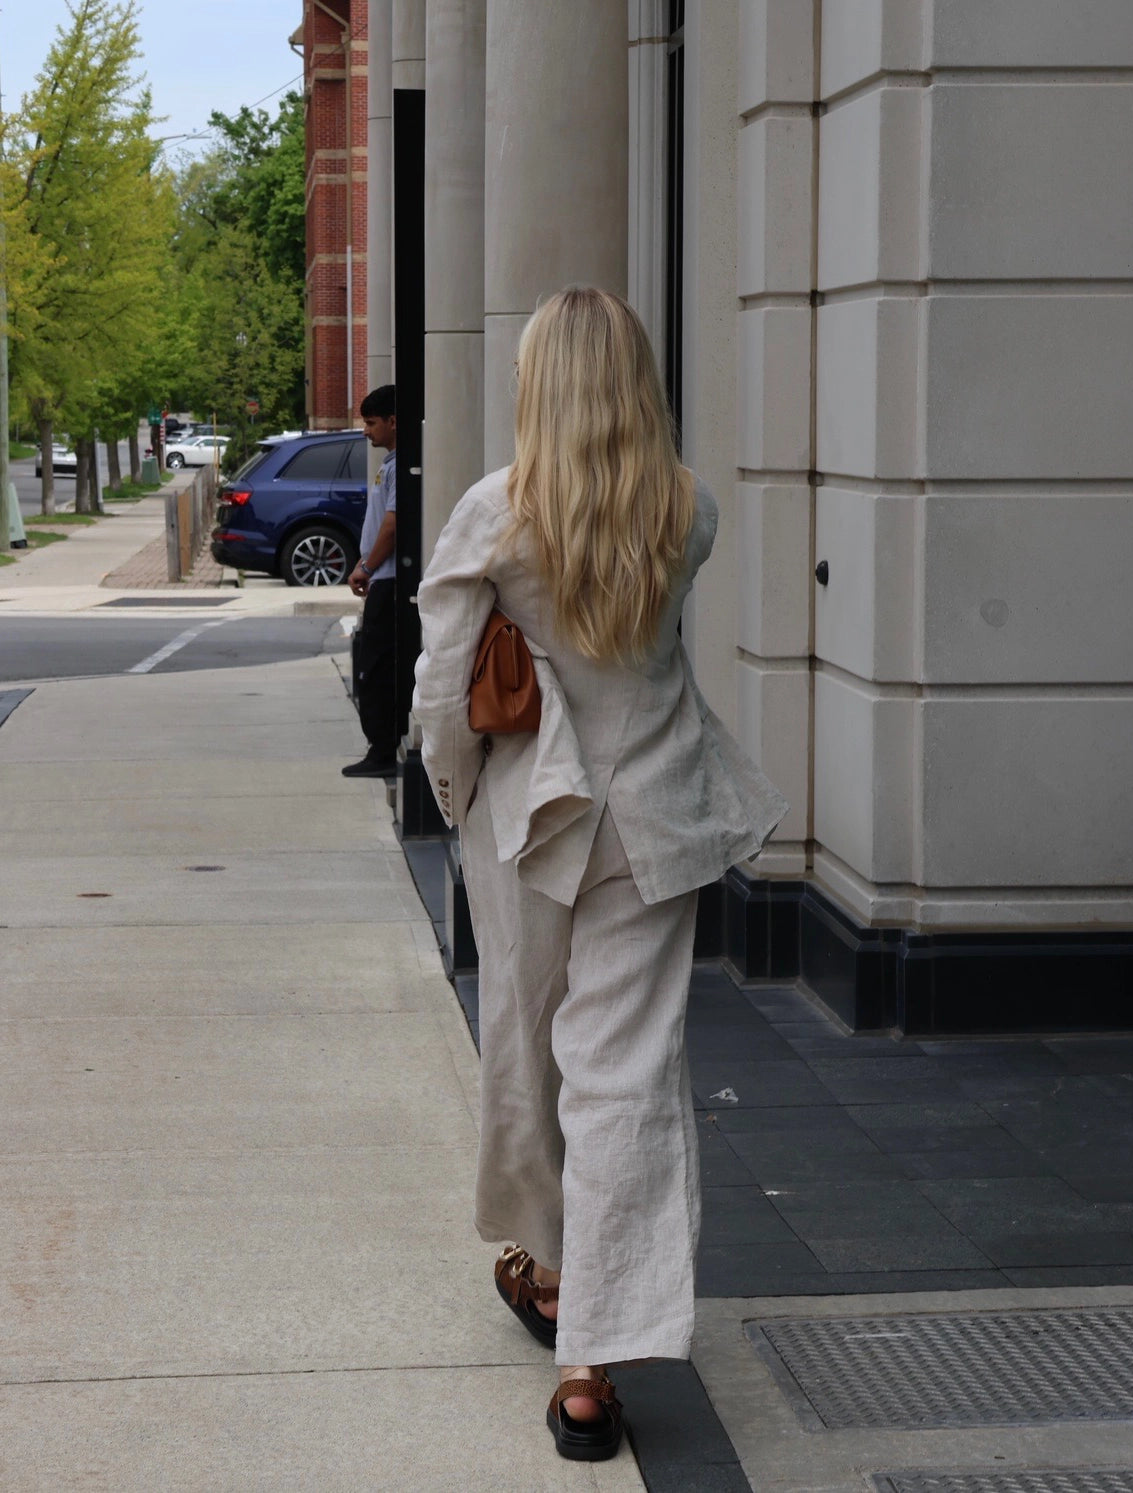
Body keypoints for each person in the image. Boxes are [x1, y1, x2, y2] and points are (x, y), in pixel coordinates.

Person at [412, 287, 786, 1461]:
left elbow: (439, 685)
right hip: (659, 815)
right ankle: (591, 1364)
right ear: (637, 381)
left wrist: (447, 792)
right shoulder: (690, 510)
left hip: (533, 816)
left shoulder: (495, 513)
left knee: (528, 1043)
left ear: (538, 383)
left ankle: (559, 1272)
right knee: (623, 1071)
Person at [343, 385, 400, 778]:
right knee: (372, 664)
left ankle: (382, 751)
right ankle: (380, 746)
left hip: (390, 579)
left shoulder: (400, 466)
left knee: (376, 668)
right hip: (383, 578)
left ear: (393, 422)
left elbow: (392, 524)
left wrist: (367, 565)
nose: (366, 431)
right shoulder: (392, 464)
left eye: (371, 422)